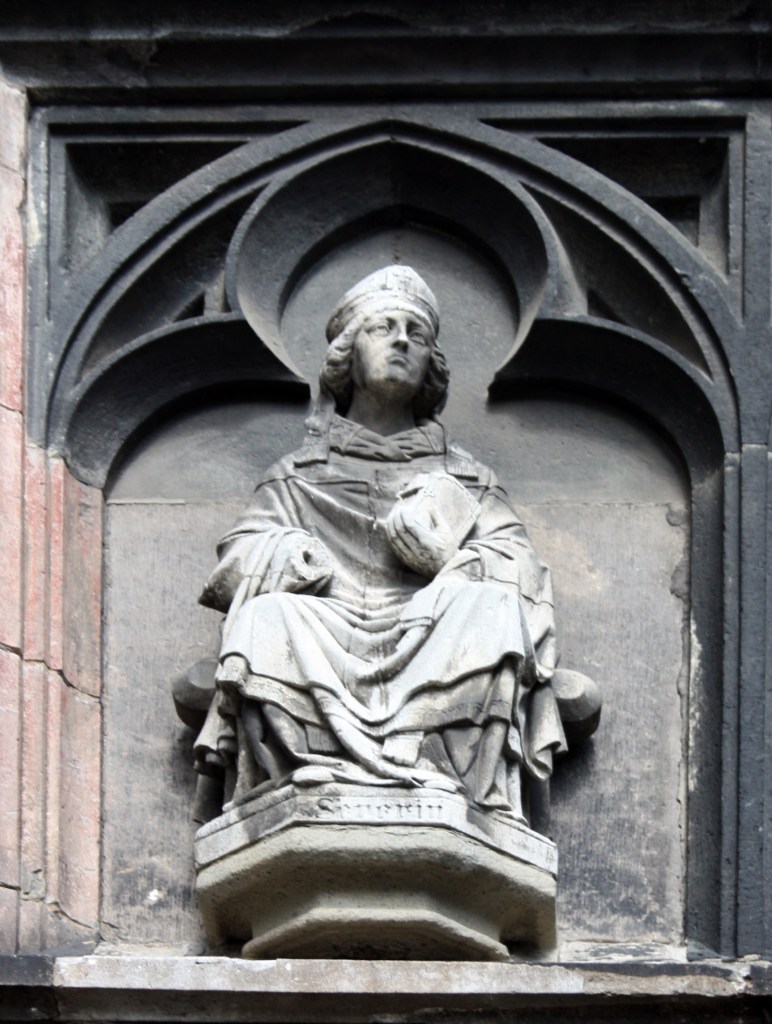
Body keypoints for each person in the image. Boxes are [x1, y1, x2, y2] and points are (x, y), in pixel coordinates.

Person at [195, 265, 566, 822]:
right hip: (328, 624)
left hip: (432, 627)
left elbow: (522, 569)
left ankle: (443, 772)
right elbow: (236, 560)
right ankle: (304, 767)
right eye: (383, 328)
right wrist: (289, 554)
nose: (401, 341)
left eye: (416, 334)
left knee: (492, 609)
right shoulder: (297, 475)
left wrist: (453, 561)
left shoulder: (468, 480)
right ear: (348, 352)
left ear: (431, 362)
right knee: (264, 619)